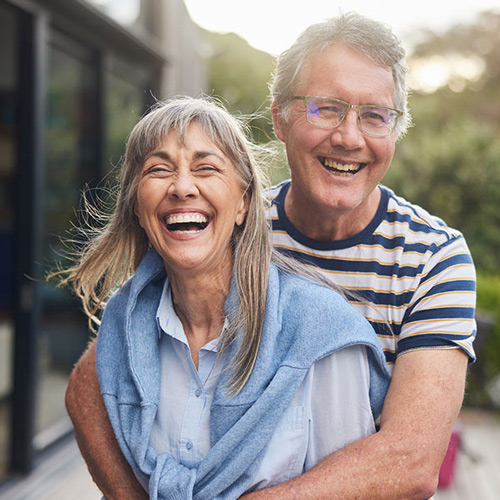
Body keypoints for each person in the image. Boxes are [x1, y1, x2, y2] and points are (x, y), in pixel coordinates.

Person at [66, 12, 476, 499]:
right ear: (279, 117)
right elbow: (99, 374)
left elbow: (410, 461)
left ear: (395, 130)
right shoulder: (220, 222)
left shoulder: (433, 256)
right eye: (326, 108)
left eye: (374, 115)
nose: (349, 136)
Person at [57, 95, 390, 499]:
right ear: (137, 207)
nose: (182, 187)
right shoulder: (125, 328)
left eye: (206, 168)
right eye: (159, 169)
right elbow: (82, 396)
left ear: (244, 204)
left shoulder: (320, 334)